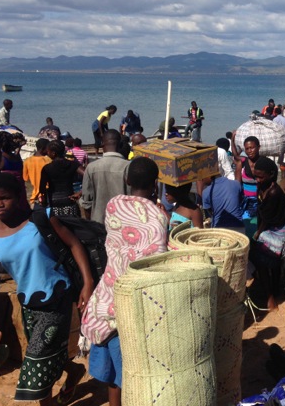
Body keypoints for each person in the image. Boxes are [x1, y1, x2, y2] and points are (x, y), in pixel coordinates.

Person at [0, 172, 94, 404]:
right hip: (28, 303)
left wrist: (87, 283)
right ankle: (74, 371)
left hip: (57, 297)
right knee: (48, 352)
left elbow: (74, 244)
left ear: (18, 196)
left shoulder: (40, 218)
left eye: (4, 198)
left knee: (36, 363)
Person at [82, 157, 168, 406]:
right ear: (155, 184)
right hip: (133, 303)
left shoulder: (113, 205)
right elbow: (157, 261)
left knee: (112, 376)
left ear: (127, 180)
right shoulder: (158, 216)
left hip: (108, 293)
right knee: (129, 371)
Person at [251, 157, 285, 310]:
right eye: (256, 176)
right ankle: (274, 288)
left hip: (278, 229)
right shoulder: (261, 187)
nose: (257, 180)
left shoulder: (274, 192)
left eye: (260, 177)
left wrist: (257, 234)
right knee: (266, 255)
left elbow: (266, 218)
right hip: (269, 225)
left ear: (271, 175)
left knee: (259, 256)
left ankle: (271, 296)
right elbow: (262, 214)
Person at [80, 130, 129, 224]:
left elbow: (86, 202)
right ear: (120, 144)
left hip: (98, 223)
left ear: (102, 144)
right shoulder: (128, 166)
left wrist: (90, 225)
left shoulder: (91, 168)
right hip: (123, 224)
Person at [40, 140, 84, 218]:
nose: (47, 153)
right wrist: (80, 192)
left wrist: (43, 200)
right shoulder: (72, 164)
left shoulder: (47, 168)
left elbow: (42, 189)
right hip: (70, 201)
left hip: (53, 204)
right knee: (73, 226)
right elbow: (88, 175)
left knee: (57, 228)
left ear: (53, 153)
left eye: (48, 151)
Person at [232, 134, 261, 239]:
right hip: (246, 204)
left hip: (260, 202)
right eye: (247, 148)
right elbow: (237, 185)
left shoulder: (264, 163)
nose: (250, 151)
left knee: (260, 229)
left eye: (252, 147)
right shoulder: (242, 164)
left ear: (259, 147)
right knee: (247, 229)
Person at [22, 138, 51, 206]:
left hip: (33, 195)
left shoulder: (27, 161)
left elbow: (25, 178)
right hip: (47, 193)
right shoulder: (48, 160)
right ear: (43, 148)